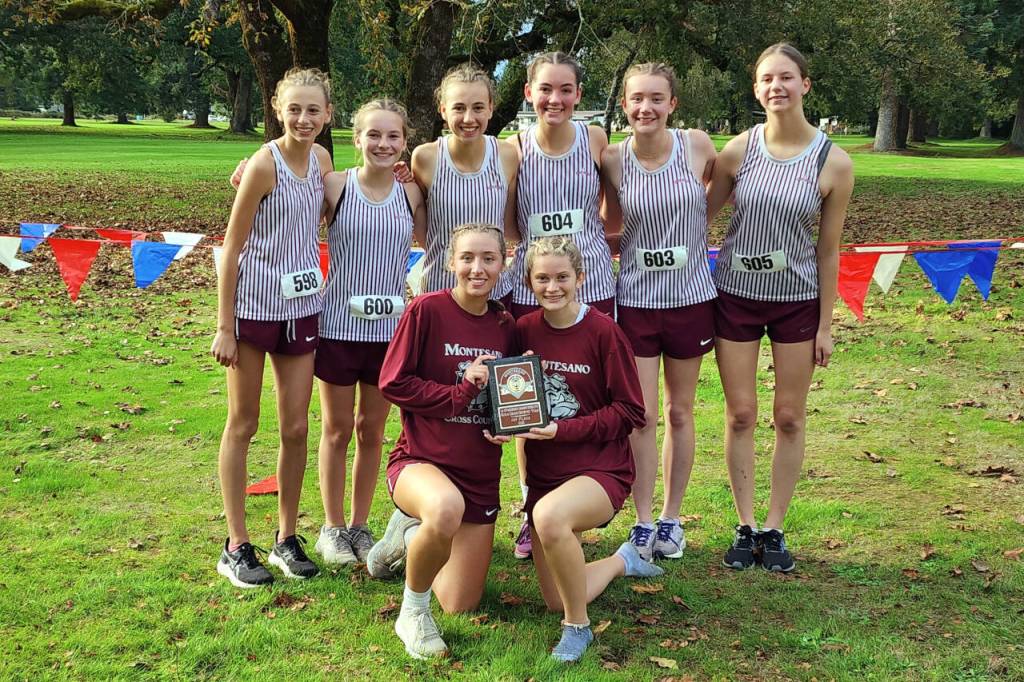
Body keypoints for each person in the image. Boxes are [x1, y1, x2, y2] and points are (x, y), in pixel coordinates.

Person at [706, 43, 853, 572]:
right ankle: (745, 527)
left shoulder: (833, 161)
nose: (776, 88)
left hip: (796, 302)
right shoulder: (737, 151)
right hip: (736, 297)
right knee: (741, 413)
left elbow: (829, 250)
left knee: (789, 417)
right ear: (756, 88)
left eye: (786, 78)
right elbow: (696, 217)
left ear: (805, 85)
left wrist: (825, 325)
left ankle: (775, 527)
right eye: (766, 79)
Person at [367, 223, 517, 659]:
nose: (477, 267)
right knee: (444, 507)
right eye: (467, 257)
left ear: (502, 265)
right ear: (450, 262)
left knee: (460, 601)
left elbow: (508, 392)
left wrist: (508, 416)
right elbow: (392, 383)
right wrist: (459, 390)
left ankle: (410, 535)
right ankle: (411, 612)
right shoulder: (427, 310)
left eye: (489, 258)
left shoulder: (505, 324)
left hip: (479, 473)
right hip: (421, 461)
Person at [211, 67, 334, 587]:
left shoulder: (325, 161)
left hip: (303, 307)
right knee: (244, 423)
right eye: (294, 109)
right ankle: (236, 545)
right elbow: (231, 248)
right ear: (277, 110)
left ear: (328, 115)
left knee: (296, 427)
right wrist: (225, 325)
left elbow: (340, 210)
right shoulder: (264, 164)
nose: (303, 119)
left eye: (314, 110)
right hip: (253, 310)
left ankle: (286, 536)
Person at [513, 236, 661, 662]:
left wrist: (563, 429)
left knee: (549, 517)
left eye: (562, 277)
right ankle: (622, 561)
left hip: (602, 470)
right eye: (542, 278)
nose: (552, 286)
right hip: (547, 476)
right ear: (530, 282)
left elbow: (632, 411)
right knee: (556, 595)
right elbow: (510, 398)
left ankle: (577, 628)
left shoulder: (604, 332)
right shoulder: (523, 331)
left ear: (581, 277)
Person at [601, 63, 718, 562]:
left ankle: (673, 518)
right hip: (637, 302)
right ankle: (644, 520)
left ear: (673, 104)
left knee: (680, 411)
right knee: (642, 415)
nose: (645, 108)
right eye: (635, 99)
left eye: (656, 98)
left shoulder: (697, 146)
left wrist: (687, 239)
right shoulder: (611, 159)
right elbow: (608, 223)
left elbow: (708, 203)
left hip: (691, 300)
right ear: (624, 105)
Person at [506, 51, 617, 560]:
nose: (555, 99)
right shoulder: (514, 150)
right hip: (534, 288)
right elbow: (507, 219)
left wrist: (596, 241)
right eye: (545, 89)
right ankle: (534, 510)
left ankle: (579, 503)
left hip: (589, 286)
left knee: (587, 397)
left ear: (578, 95)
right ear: (529, 93)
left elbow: (622, 202)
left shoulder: (594, 141)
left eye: (566, 89)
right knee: (532, 404)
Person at [313, 99, 426, 566]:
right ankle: (332, 527)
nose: (383, 144)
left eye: (393, 137)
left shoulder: (412, 194)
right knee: (337, 430)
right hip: (338, 327)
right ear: (356, 138)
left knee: (372, 430)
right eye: (373, 135)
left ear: (404, 142)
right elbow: (281, 204)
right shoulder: (335, 187)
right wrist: (245, 174)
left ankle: (360, 525)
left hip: (389, 333)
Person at [410, 63, 519, 303]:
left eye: (478, 107)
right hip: (440, 289)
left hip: (494, 292)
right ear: (443, 110)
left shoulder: (507, 155)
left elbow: (509, 225)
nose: (469, 118)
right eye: (459, 108)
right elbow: (423, 229)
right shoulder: (425, 158)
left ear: (491, 108)